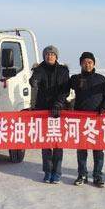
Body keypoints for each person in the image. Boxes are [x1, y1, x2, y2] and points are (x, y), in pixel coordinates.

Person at [69, 52, 105, 188]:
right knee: (82, 149)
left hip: (97, 118)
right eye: (85, 62)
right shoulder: (76, 79)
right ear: (81, 63)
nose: (87, 64)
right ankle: (82, 174)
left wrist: (103, 109)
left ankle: (98, 176)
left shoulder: (101, 79)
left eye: (90, 62)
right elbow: (63, 90)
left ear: (94, 64)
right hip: (80, 119)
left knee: (98, 149)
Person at [29, 45, 70, 184]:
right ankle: (47, 172)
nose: (50, 56)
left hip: (58, 111)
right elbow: (34, 81)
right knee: (46, 144)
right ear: (44, 56)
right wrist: (33, 80)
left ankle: (57, 173)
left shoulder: (63, 71)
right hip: (43, 111)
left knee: (58, 144)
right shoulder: (39, 69)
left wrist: (59, 104)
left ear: (56, 56)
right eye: (47, 54)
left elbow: (65, 90)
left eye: (52, 54)